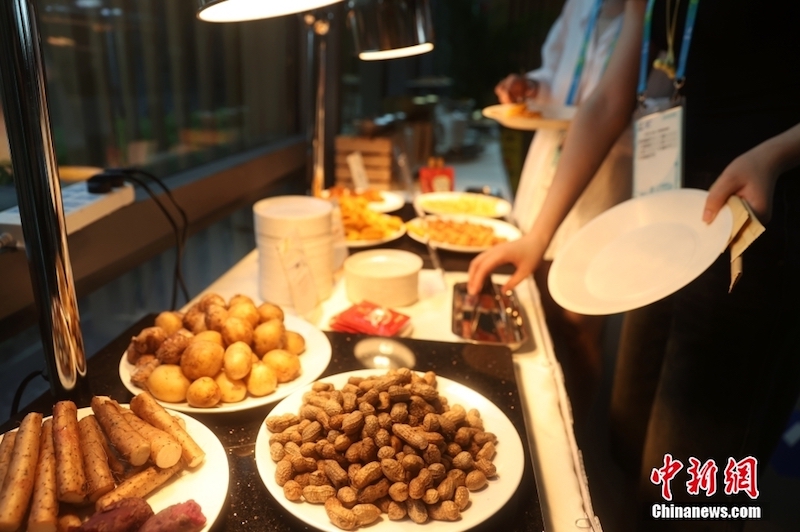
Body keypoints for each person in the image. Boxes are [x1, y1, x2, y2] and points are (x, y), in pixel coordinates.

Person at [470, 1, 800, 530]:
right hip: (666, 215)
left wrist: (778, 154)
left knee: (692, 476)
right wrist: (538, 234)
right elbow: (608, 102)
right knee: (629, 442)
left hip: (752, 215)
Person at [496, 0, 631, 417]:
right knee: (535, 302)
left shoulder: (653, 15)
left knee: (581, 319)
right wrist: (532, 86)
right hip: (551, 166)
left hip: (610, 174)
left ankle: (578, 428)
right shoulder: (581, 5)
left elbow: (614, 102)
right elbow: (555, 70)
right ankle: (539, 412)